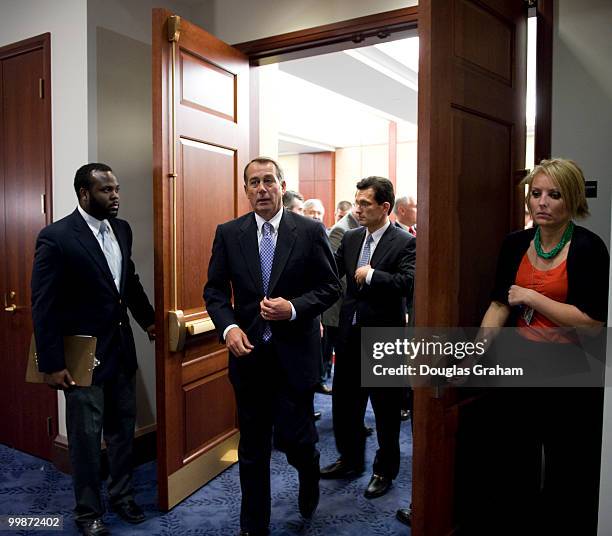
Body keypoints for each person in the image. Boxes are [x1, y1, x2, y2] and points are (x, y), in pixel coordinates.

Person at [204, 157, 341, 536]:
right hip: (249, 357)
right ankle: (253, 527)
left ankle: (309, 469)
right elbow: (214, 291)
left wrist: (294, 308)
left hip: (294, 358)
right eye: (253, 183)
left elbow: (331, 287)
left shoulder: (310, 231)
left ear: (282, 186)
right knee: (252, 447)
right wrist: (228, 327)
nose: (261, 189)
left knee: (294, 441)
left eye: (268, 181)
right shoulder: (230, 233)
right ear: (245, 190)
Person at [479, 158, 608, 534]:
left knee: (566, 469)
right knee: (514, 461)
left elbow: (592, 323)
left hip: (570, 374)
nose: (542, 202)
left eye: (554, 195)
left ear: (572, 199)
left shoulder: (589, 247)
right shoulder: (515, 243)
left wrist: (533, 298)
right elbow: (500, 302)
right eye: (536, 194)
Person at [31, 163, 155, 536]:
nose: (115, 196)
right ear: (84, 194)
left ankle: (123, 496)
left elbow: (128, 281)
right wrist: (51, 365)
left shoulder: (122, 229)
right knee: (86, 440)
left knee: (122, 432)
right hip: (81, 358)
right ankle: (88, 513)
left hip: (121, 351)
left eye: (116, 189)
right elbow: (43, 305)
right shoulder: (56, 237)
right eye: (106, 190)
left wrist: (148, 320)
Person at [320, 176, 416, 499]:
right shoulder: (349, 240)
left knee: (386, 413)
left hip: (383, 338)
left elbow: (407, 283)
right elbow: (331, 277)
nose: (358, 209)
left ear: (384, 207)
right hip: (348, 336)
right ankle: (350, 460)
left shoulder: (404, 241)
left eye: (365, 204)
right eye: (356, 202)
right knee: (345, 407)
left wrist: (373, 275)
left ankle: (384, 470)